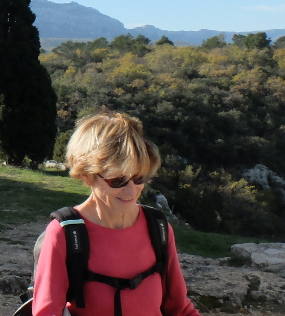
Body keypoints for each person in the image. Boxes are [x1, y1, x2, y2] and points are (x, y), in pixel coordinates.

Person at [32, 112, 201, 316]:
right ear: (87, 175)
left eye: (139, 177)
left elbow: (179, 309)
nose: (132, 191)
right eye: (117, 180)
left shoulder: (158, 227)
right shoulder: (63, 235)